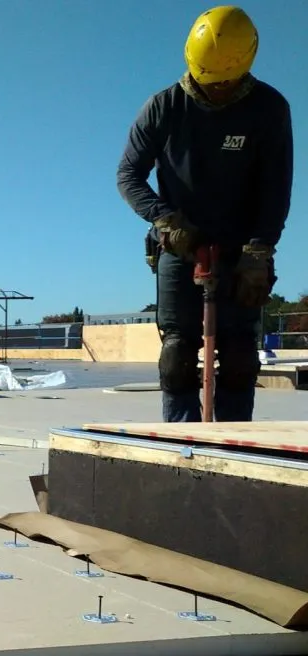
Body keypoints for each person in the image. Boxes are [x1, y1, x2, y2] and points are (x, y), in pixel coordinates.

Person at [116, 5, 293, 423]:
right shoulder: (164, 107)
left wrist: (259, 250)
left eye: (223, 83)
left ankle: (232, 444)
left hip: (243, 251)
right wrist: (164, 218)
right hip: (181, 248)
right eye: (206, 80)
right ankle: (183, 441)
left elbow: (275, 188)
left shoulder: (268, 109)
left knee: (239, 357)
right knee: (177, 355)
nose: (214, 90)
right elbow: (128, 175)